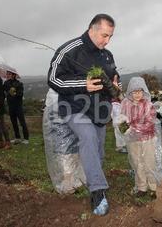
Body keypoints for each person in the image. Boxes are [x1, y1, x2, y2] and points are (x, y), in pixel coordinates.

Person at [46, 14, 121, 216]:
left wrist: (115, 85)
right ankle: (98, 191)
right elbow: (53, 79)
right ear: (92, 29)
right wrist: (83, 84)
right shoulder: (69, 50)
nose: (107, 40)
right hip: (74, 107)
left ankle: (92, 178)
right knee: (87, 137)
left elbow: (114, 76)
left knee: (98, 149)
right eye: (104, 35)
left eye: (110, 37)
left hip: (99, 110)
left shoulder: (107, 55)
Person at [119, 77, 162, 196]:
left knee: (149, 162)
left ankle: (153, 187)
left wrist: (135, 128)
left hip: (147, 139)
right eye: (134, 91)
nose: (137, 94)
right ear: (130, 92)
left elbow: (150, 122)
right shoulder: (125, 104)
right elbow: (122, 119)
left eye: (140, 91)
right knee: (137, 162)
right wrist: (122, 125)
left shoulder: (148, 105)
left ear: (144, 91)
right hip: (132, 140)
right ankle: (141, 187)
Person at [3, 70, 29, 144]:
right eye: (7, 74)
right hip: (10, 105)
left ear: (14, 75)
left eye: (9, 74)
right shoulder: (6, 83)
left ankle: (26, 138)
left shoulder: (19, 84)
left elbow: (20, 94)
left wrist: (14, 93)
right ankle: (17, 138)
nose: (7, 75)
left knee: (22, 122)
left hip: (18, 106)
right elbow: (3, 91)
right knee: (14, 122)